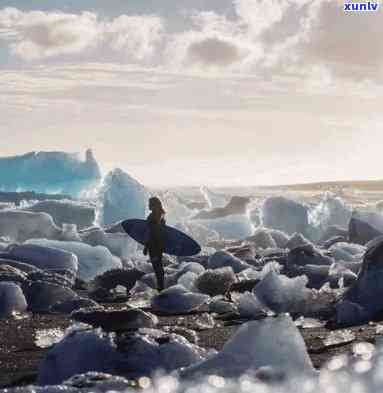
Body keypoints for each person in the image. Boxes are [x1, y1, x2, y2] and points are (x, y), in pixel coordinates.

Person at [143, 197, 166, 291]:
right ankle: (161, 287)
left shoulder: (155, 217)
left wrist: (147, 247)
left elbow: (153, 234)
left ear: (154, 205)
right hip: (156, 245)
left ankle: (160, 288)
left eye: (150, 203)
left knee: (157, 268)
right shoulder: (159, 215)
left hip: (154, 246)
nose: (148, 205)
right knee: (158, 267)